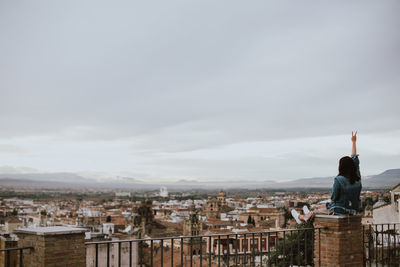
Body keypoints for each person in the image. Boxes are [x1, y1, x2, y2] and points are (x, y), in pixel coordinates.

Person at [292, 131, 362, 223]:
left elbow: (333, 198)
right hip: (354, 209)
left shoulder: (339, 180)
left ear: (340, 167)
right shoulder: (357, 177)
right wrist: (353, 142)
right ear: (352, 166)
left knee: (317, 211)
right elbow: (354, 158)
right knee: (320, 207)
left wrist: (326, 205)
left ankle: (301, 217)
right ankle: (309, 213)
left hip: (340, 210)